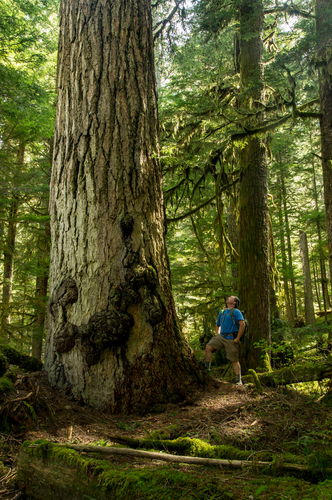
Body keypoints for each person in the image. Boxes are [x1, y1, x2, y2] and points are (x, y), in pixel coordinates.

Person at [205, 295, 245, 385]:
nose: (228, 298)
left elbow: (242, 324)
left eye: (231, 298)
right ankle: (207, 370)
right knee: (208, 347)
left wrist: (237, 338)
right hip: (221, 336)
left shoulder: (236, 311)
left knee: (234, 359)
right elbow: (217, 324)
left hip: (232, 338)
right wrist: (217, 333)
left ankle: (239, 380)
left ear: (234, 302)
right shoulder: (222, 312)